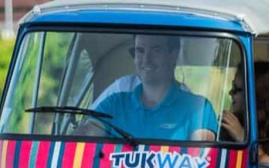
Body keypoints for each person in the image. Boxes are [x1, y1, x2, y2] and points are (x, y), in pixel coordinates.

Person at [83, 34, 219, 142]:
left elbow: (201, 157)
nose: (146, 60)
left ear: (174, 55)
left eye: (156, 50)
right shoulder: (113, 104)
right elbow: (84, 136)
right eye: (140, 51)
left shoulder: (198, 108)